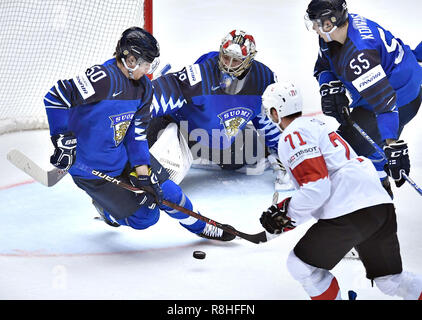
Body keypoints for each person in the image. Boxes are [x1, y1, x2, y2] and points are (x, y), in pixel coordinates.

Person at [43, 26, 235, 241]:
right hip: (90, 170)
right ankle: (107, 210)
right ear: (130, 59)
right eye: (146, 63)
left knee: (167, 193)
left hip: (123, 155)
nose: (149, 69)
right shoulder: (103, 79)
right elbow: (55, 96)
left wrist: (143, 174)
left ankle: (202, 226)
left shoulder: (144, 88)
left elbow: (137, 134)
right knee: (146, 218)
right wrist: (62, 140)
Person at [259, 81, 422, 300]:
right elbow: (322, 186)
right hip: (379, 205)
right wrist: (287, 212)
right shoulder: (318, 125)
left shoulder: (292, 135)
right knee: (391, 281)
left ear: (275, 111)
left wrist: (287, 216)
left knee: (300, 265)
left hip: (350, 211)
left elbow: (316, 188)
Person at [147, 29, 294, 195]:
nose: (228, 65)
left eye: (236, 60)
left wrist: (284, 152)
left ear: (248, 60)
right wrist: (138, 110)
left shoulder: (263, 80)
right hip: (179, 127)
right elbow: (169, 88)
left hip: (217, 138)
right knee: (160, 172)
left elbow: (267, 119)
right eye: (225, 57)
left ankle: (202, 153)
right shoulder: (204, 73)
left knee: (253, 153)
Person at [305, 0, 422, 198]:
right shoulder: (332, 35)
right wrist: (329, 85)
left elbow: (385, 107)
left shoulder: (360, 54)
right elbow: (323, 65)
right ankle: (379, 184)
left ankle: (376, 195)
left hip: (401, 98)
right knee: (362, 148)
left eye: (316, 23)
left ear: (329, 23)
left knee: (338, 155)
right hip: (384, 88)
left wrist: (393, 145)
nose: (314, 28)